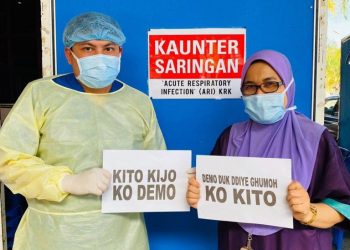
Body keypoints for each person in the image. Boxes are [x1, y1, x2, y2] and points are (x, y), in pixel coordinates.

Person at [0, 12, 165, 250]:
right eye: (88, 48)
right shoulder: (40, 94)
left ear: (120, 53)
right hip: (54, 235)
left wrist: (181, 181)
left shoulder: (138, 102)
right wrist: (66, 181)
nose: (100, 56)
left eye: (108, 48)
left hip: (123, 235)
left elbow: (155, 164)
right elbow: (9, 160)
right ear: (69, 54)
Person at [186, 50, 350, 250]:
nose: (259, 94)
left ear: (288, 86)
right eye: (250, 87)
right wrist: (198, 196)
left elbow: (343, 206)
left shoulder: (314, 138)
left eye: (270, 84)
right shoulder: (230, 137)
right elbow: (212, 194)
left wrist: (309, 212)